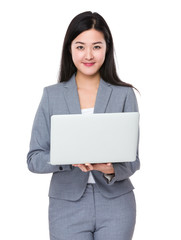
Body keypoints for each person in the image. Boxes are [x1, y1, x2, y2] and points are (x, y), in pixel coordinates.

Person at [27, 11, 140, 240]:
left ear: (106, 48)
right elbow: (34, 159)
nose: (88, 55)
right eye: (80, 46)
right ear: (70, 48)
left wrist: (108, 169)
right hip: (66, 205)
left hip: (117, 204)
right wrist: (66, 158)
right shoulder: (52, 96)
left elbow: (133, 161)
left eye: (96, 46)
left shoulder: (124, 95)